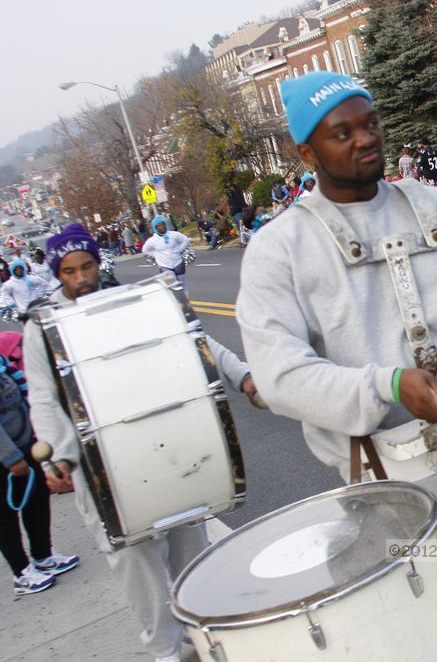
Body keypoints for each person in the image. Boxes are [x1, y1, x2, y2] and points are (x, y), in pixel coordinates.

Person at [236, 71, 437, 489]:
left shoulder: (436, 204)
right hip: (387, 478)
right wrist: (386, 386)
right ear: (307, 152)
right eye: (342, 133)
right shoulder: (278, 249)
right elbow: (280, 374)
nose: (365, 138)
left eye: (370, 123)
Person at [24, 224, 258, 661]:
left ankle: (202, 633)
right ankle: (165, 651)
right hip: (101, 466)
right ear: (58, 273)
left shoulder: (127, 301)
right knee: (139, 568)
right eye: (69, 271)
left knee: (192, 552)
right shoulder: (42, 325)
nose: (80, 279)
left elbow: (194, 341)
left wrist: (242, 375)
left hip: (164, 447)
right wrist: (56, 456)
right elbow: (43, 397)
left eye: (87, 266)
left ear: (98, 262)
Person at [0, 338, 79, 596]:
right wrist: (11, 458)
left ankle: (43, 555)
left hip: (27, 444)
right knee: (5, 517)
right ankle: (21, 573)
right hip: (8, 457)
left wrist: (38, 436)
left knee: (37, 498)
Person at [142, 216, 192, 287]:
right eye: (159, 225)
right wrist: (156, 255)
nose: (162, 227)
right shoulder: (153, 240)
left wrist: (179, 249)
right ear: (155, 228)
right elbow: (145, 250)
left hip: (178, 263)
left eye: (163, 224)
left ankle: (185, 296)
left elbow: (185, 240)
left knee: (182, 285)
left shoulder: (173, 234)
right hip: (164, 265)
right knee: (172, 286)